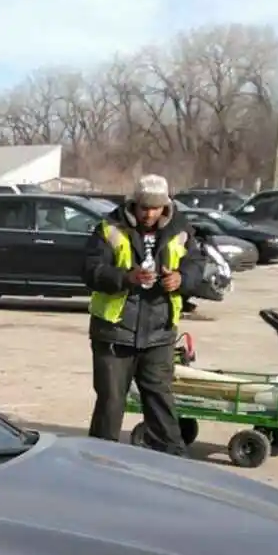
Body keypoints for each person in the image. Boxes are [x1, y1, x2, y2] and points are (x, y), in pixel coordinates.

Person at [81, 174, 205, 454]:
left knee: (160, 400)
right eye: (144, 207)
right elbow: (91, 271)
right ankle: (99, 459)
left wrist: (182, 279)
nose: (149, 214)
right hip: (114, 333)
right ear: (133, 204)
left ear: (166, 206)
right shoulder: (108, 228)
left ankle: (174, 460)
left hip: (159, 333)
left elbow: (197, 266)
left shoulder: (181, 230)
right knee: (111, 402)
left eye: (156, 208)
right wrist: (127, 278)